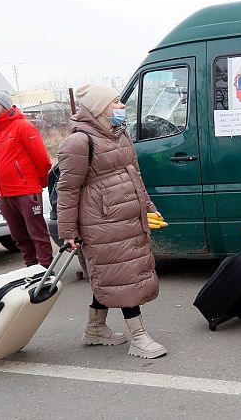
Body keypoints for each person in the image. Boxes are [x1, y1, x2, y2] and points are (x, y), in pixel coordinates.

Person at [56, 84, 166, 359]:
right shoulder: (79, 142)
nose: (121, 106)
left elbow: (135, 175)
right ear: (99, 107)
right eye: (115, 101)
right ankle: (139, 338)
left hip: (127, 217)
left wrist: (148, 207)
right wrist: (68, 232)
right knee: (122, 278)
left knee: (110, 277)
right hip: (102, 223)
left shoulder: (120, 134)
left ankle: (95, 329)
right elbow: (67, 190)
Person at [0, 90, 54, 268]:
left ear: (5, 106)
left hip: (26, 191)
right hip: (4, 194)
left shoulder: (23, 126)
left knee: (37, 233)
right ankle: (31, 268)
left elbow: (43, 160)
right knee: (19, 236)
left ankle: (46, 269)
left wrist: (36, 186)